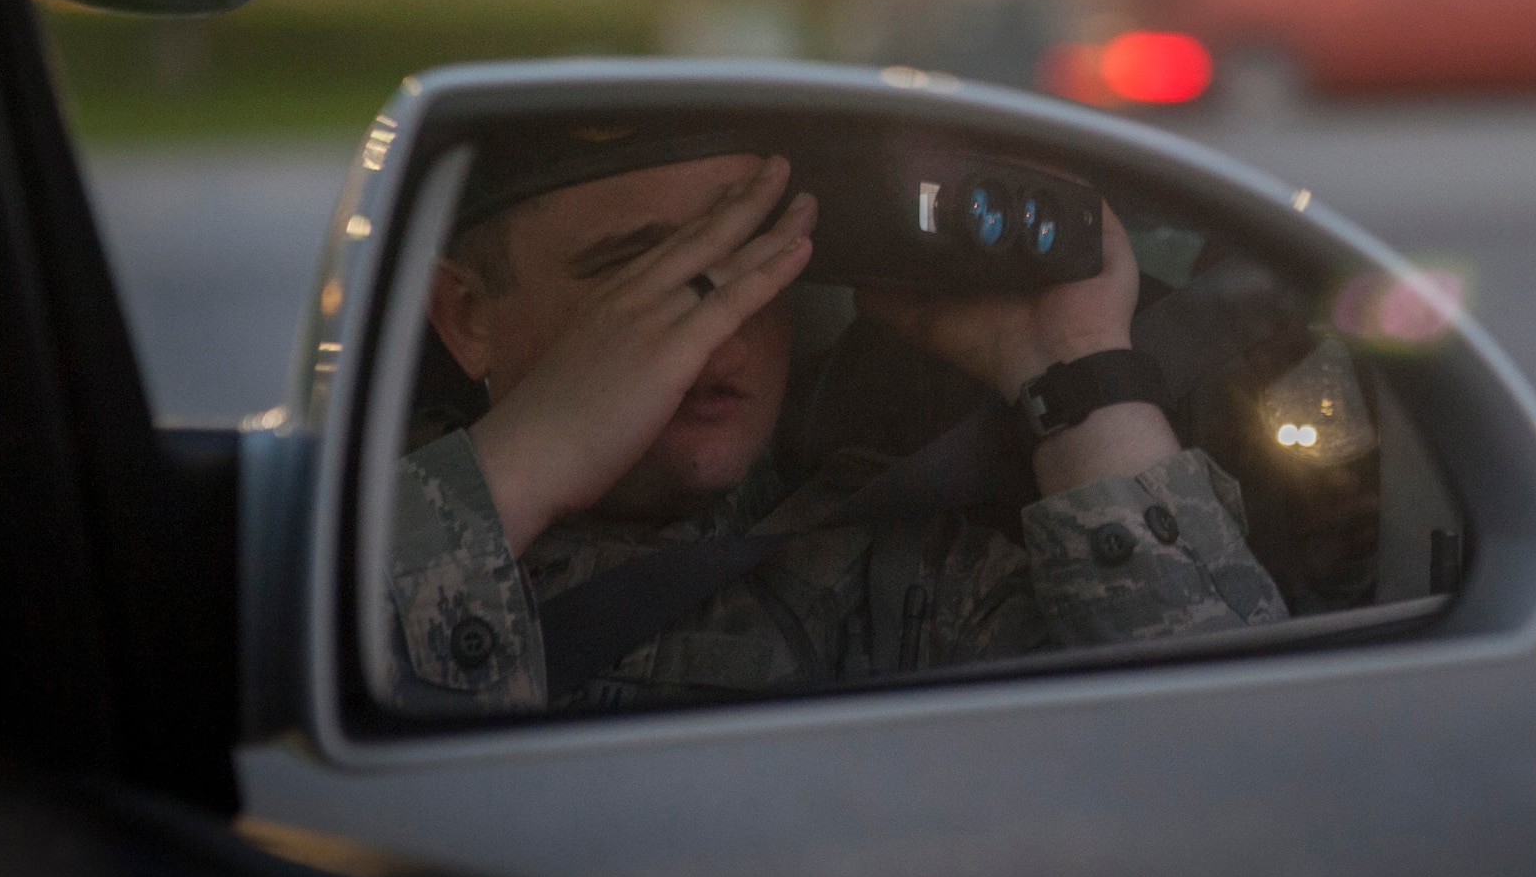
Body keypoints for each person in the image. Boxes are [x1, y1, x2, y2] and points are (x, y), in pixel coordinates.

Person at [386, 129, 1287, 714]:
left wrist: (1079, 369)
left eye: (757, 256)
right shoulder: (352, 539)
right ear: (465, 316)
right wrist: (518, 471)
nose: (718, 327)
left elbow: (1232, 756)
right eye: (639, 280)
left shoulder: (888, 578)